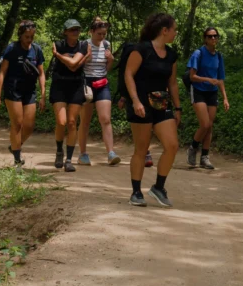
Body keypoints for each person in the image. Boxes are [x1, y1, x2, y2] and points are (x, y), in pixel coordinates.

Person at [124, 13, 181, 207]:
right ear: (164, 31)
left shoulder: (172, 55)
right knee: (141, 149)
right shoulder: (141, 50)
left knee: (172, 145)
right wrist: (135, 101)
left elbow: (172, 83)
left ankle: (158, 187)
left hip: (161, 103)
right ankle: (136, 192)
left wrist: (178, 107)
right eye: (174, 29)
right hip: (140, 105)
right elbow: (128, 74)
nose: (176, 33)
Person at [0, 20, 46, 167]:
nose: (29, 40)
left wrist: (43, 94)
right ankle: (17, 160)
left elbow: (41, 73)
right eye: (27, 37)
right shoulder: (12, 49)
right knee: (18, 124)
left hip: (30, 90)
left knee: (29, 126)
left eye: (32, 37)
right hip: (13, 89)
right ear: (21, 35)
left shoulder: (37, 50)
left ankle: (15, 145)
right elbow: (2, 72)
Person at [77, 17, 121, 166]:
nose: (102, 37)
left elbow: (106, 69)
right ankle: (83, 154)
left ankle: (110, 153)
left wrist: (111, 60)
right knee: (85, 121)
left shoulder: (107, 45)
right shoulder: (83, 45)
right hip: (86, 84)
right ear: (91, 32)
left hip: (102, 83)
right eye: (99, 34)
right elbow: (77, 67)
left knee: (106, 119)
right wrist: (86, 58)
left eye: (104, 34)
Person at [186, 26, 229, 170]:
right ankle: (192, 148)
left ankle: (205, 157)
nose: (213, 38)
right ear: (205, 39)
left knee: (209, 126)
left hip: (212, 92)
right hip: (198, 90)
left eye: (215, 36)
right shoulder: (198, 54)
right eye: (210, 36)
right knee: (204, 124)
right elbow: (192, 76)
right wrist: (207, 80)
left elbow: (220, 78)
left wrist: (225, 98)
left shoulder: (218, 56)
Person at [49, 19, 89, 173]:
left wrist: (58, 55)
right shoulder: (59, 44)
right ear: (65, 32)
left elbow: (72, 65)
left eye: (77, 29)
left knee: (72, 123)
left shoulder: (83, 45)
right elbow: (73, 63)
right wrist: (71, 58)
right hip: (59, 85)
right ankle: (59, 150)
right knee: (61, 122)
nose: (75, 32)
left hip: (76, 86)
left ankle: (69, 160)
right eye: (72, 29)